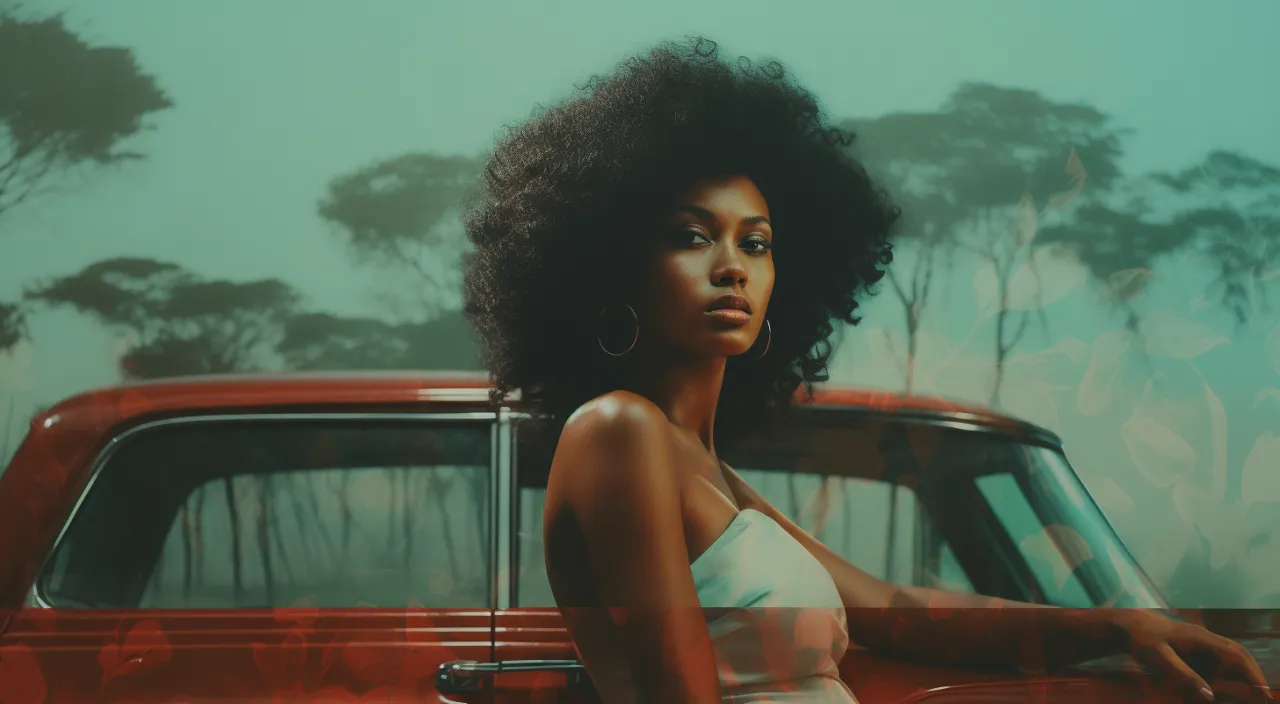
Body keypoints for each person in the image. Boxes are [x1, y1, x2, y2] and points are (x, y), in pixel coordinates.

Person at [461, 36, 1271, 703]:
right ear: (615, 265)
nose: (732, 267)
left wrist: (1121, 628)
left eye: (756, 242)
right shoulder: (617, 432)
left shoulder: (709, 472)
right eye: (690, 235)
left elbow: (896, 611)